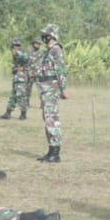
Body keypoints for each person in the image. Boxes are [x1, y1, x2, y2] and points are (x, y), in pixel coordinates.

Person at [35, 25, 68, 163]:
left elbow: (60, 70)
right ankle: (51, 150)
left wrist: (63, 89)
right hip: (45, 88)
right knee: (47, 118)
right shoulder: (48, 50)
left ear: (52, 35)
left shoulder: (56, 49)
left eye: (46, 34)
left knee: (51, 119)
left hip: (51, 88)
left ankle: (55, 153)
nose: (44, 37)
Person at [0, 39, 30, 120]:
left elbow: (26, 58)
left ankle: (23, 114)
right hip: (16, 76)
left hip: (21, 77)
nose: (14, 48)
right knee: (13, 96)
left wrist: (22, 66)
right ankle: (8, 113)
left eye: (15, 46)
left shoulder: (19, 52)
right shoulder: (16, 53)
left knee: (21, 96)